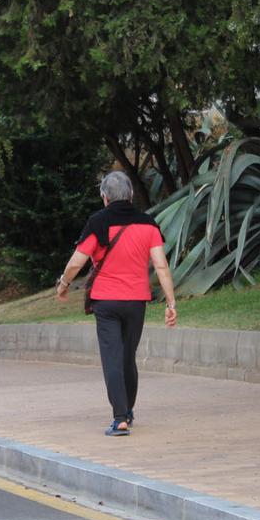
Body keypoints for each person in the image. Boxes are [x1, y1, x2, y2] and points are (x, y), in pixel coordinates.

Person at [56, 171, 177, 437]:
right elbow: (161, 265)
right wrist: (171, 302)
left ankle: (119, 418)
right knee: (127, 357)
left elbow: (78, 261)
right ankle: (128, 411)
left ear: (105, 197)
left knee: (112, 357)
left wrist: (64, 284)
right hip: (136, 302)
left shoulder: (98, 222)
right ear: (131, 195)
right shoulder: (148, 224)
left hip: (106, 302)